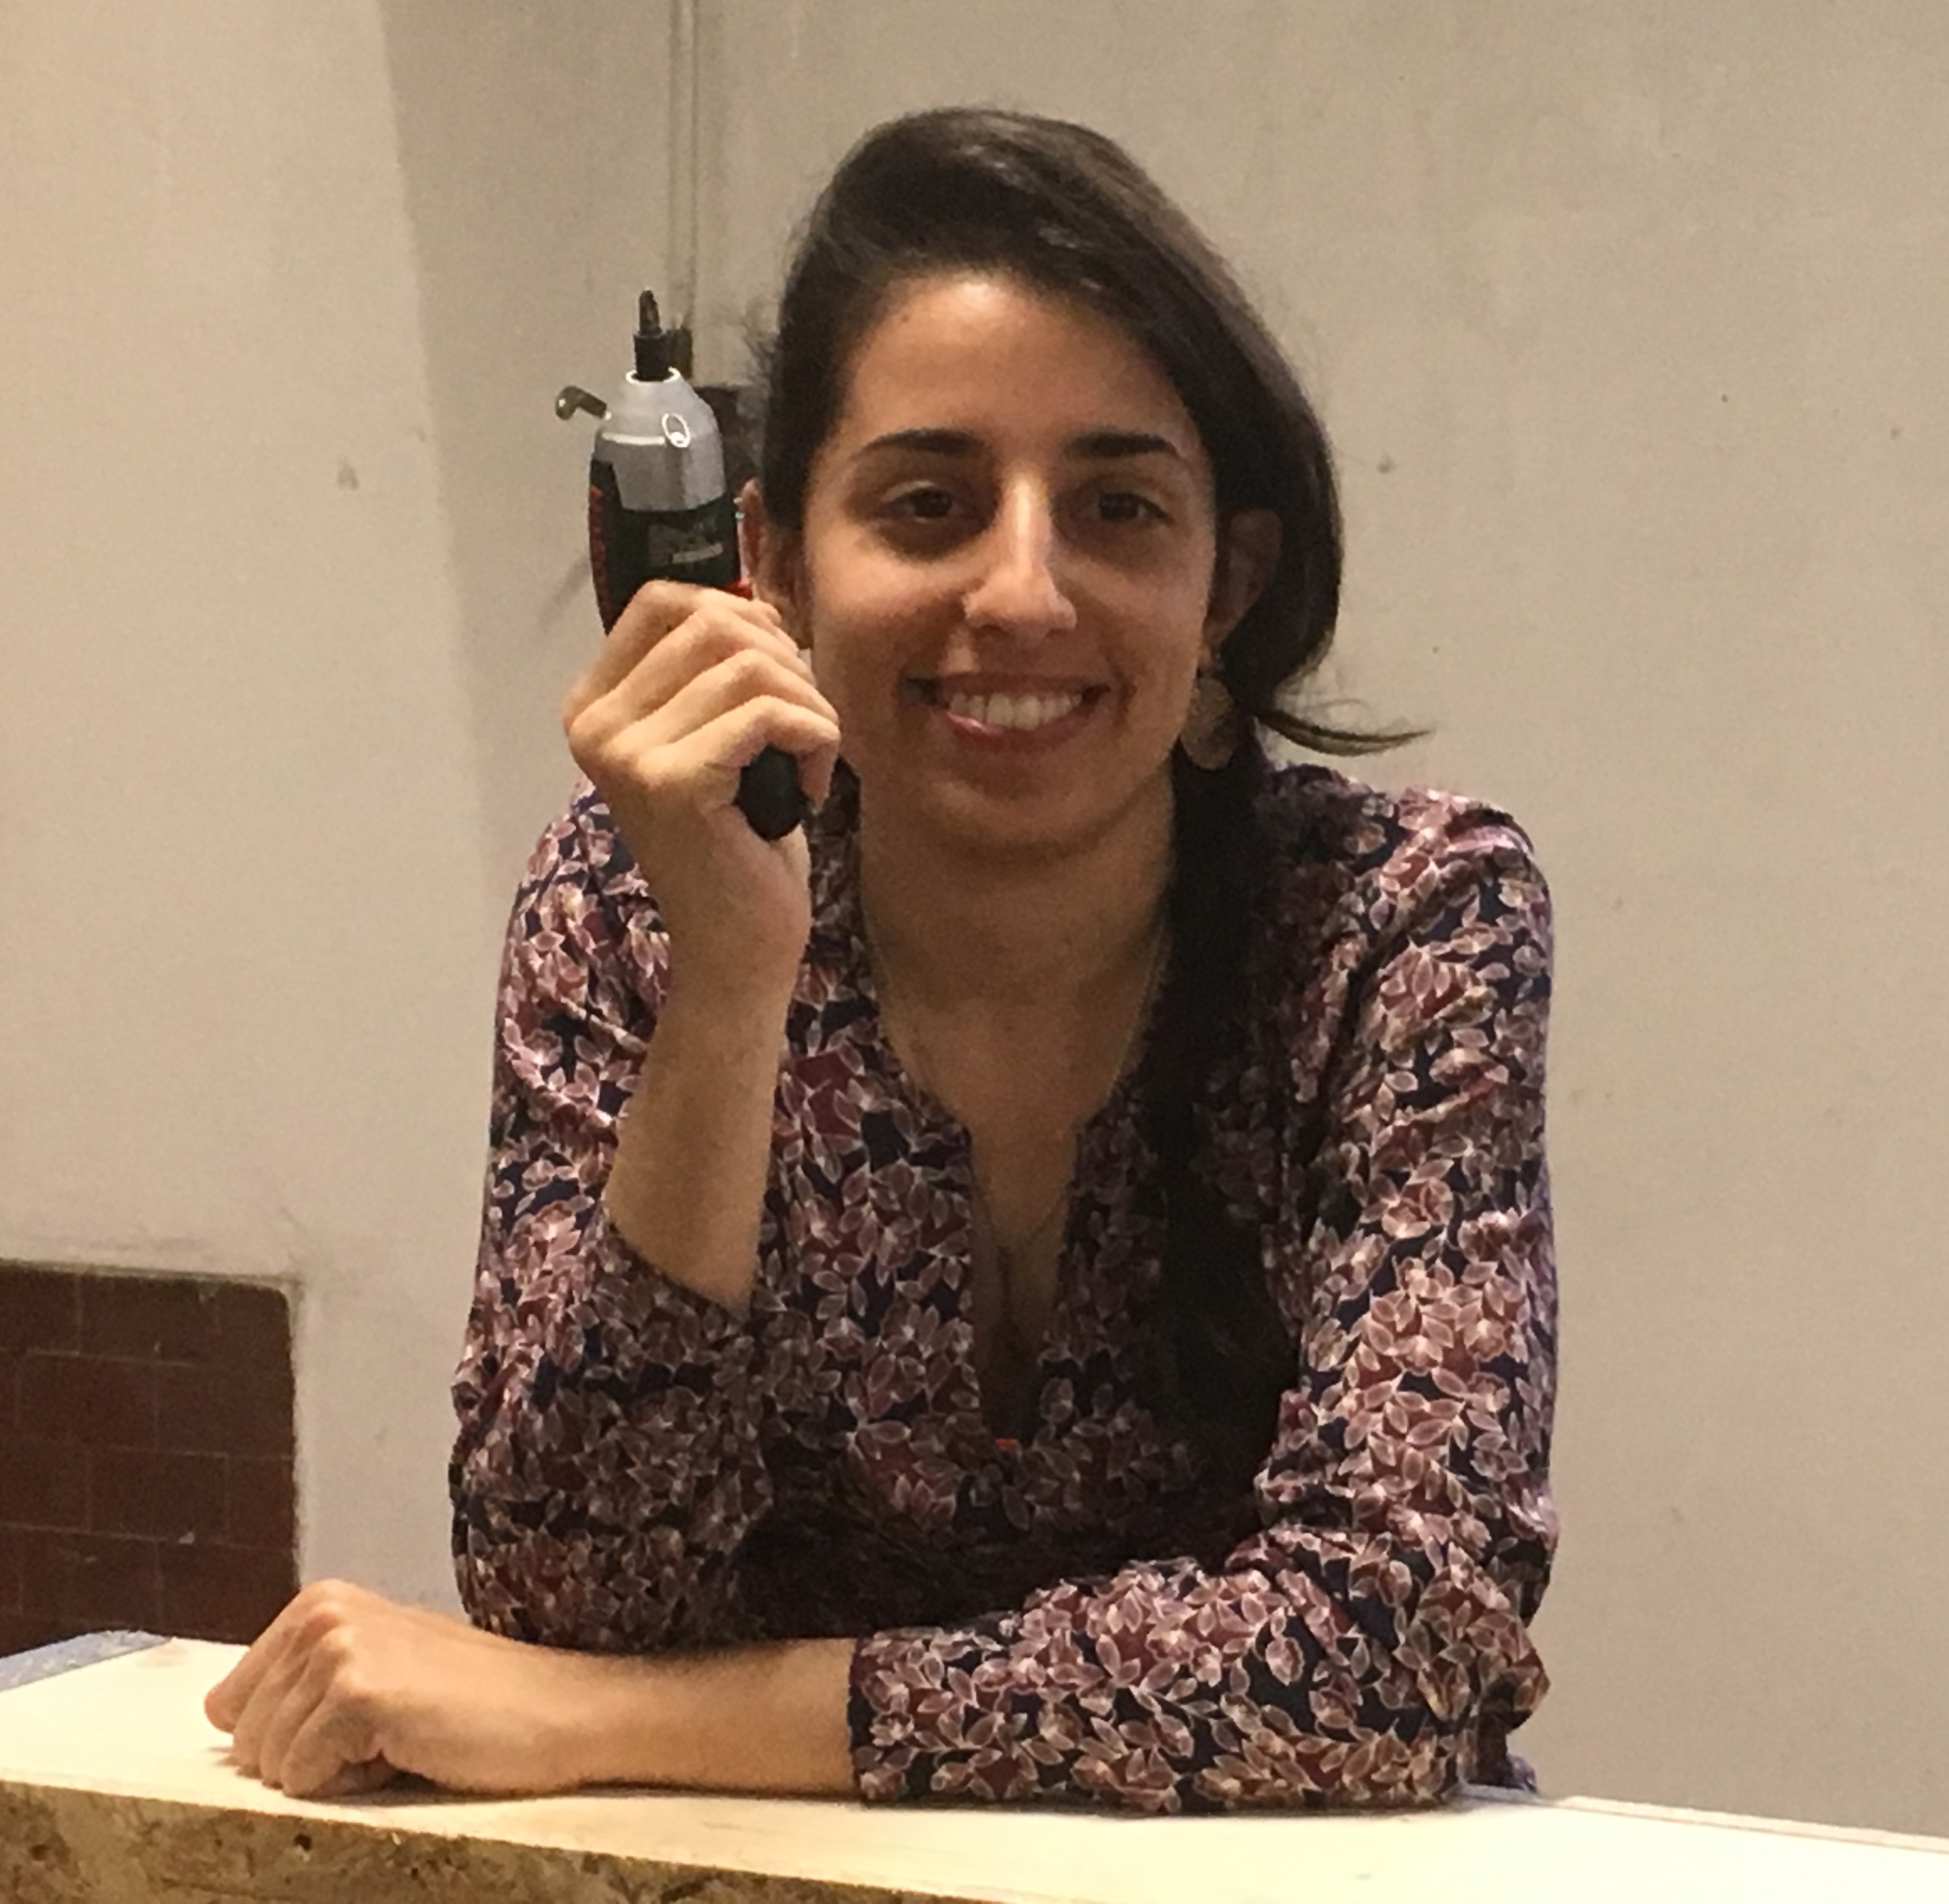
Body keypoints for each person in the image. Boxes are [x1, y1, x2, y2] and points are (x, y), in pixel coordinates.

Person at [206, 107, 1556, 1811]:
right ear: (774, 563)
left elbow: (1393, 1644)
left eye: (1119, 506)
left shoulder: (1400, 924)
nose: (1023, 592)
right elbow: (574, 1592)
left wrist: (622, 1724)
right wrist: (731, 979)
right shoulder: (630, 906)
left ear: (1230, 582)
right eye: (928, 504)